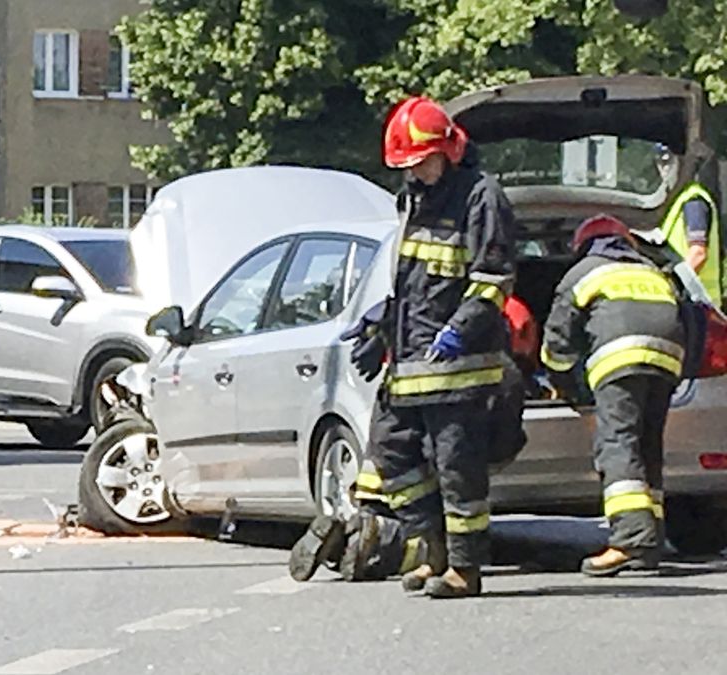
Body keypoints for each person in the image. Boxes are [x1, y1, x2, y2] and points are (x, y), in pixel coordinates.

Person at [288, 97, 517, 599]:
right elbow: (408, 283)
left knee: (458, 470)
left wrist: (460, 329)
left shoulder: (481, 197)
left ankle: (464, 568)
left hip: (460, 367)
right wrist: (380, 326)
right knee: (390, 455)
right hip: (409, 364)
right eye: (408, 165)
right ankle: (428, 546)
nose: (418, 172)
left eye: (423, 162)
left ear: (448, 150)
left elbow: (492, 280)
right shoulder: (412, 198)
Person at [288, 297, 532, 585]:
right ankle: (367, 538)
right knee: (444, 482)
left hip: (412, 447)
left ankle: (359, 533)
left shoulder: (417, 319)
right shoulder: (507, 314)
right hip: (462, 408)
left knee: (424, 486)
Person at [540, 214, 683, 576]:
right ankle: (650, 542)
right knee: (647, 445)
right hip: (667, 360)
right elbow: (691, 320)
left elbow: (557, 341)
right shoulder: (654, 271)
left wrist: (564, 386)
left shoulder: (584, 271)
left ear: (584, 245)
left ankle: (629, 540)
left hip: (619, 360)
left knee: (618, 443)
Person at [654, 144, 721, 306]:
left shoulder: (693, 201)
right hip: (691, 301)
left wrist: (671, 286)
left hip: (701, 302)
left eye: (668, 162)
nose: (664, 169)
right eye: (660, 163)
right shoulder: (675, 199)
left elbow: (698, 253)